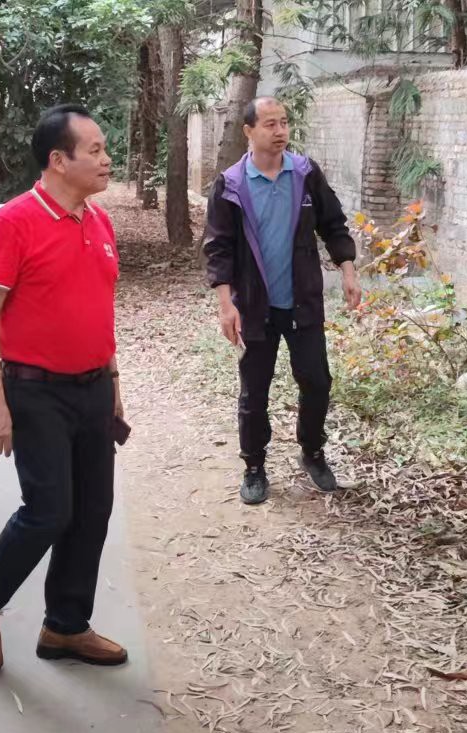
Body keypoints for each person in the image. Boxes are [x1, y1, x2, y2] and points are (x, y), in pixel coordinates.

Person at [0, 105, 127, 672]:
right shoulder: (12, 223)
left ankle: (65, 626)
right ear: (59, 160)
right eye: (95, 150)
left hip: (93, 388)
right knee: (49, 511)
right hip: (35, 392)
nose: (107, 159)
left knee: (93, 510)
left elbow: (97, 309)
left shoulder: (98, 222)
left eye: (104, 149)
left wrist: (113, 381)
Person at [203, 96, 361, 506]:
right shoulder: (231, 184)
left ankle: (312, 452)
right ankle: (254, 466)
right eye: (270, 124)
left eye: (284, 123)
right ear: (249, 131)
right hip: (254, 306)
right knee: (254, 391)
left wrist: (347, 269)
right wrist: (226, 304)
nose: (280, 131)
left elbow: (333, 224)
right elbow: (218, 247)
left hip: (302, 301)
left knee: (317, 381)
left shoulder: (305, 174)